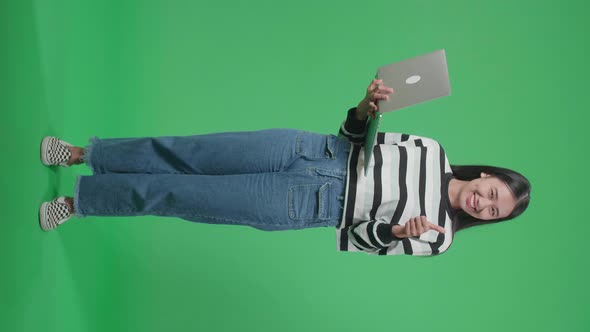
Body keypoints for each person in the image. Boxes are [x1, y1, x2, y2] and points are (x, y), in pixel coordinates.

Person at [39, 79, 531, 256]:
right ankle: (88, 154)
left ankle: (78, 201)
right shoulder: (432, 149)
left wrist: (397, 231)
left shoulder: (439, 237)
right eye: (492, 195)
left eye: (491, 213)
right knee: (186, 151)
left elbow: (360, 240)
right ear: (489, 176)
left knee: (181, 196)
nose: (482, 204)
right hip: (309, 151)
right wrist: (366, 107)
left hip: (309, 204)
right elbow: (355, 136)